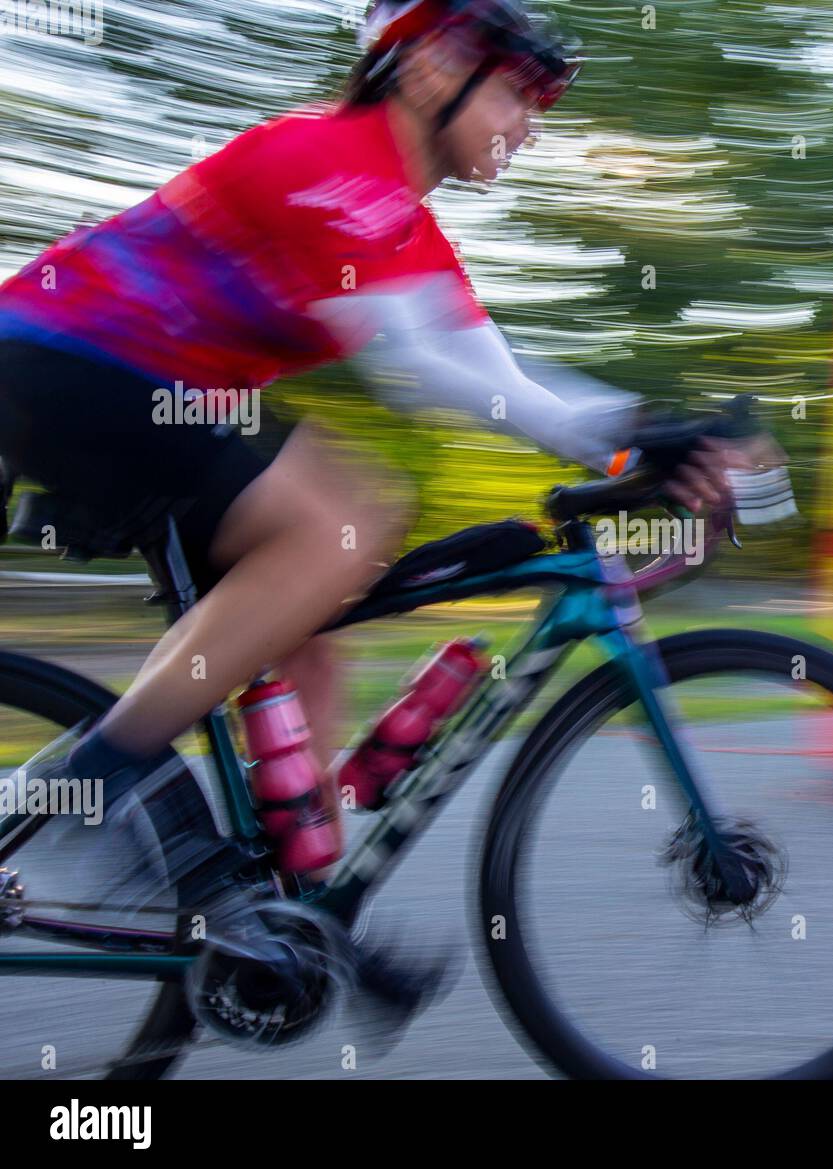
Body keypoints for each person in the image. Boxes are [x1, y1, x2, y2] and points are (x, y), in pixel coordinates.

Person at [0, 0, 741, 973]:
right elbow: (424, 371)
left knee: (313, 636)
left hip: (147, 392)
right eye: (519, 89)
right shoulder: (326, 160)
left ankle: (286, 926)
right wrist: (634, 439)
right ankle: (100, 775)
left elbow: (503, 381)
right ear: (433, 66)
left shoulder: (404, 224)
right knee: (347, 518)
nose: (531, 120)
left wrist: (640, 441)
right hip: (67, 362)